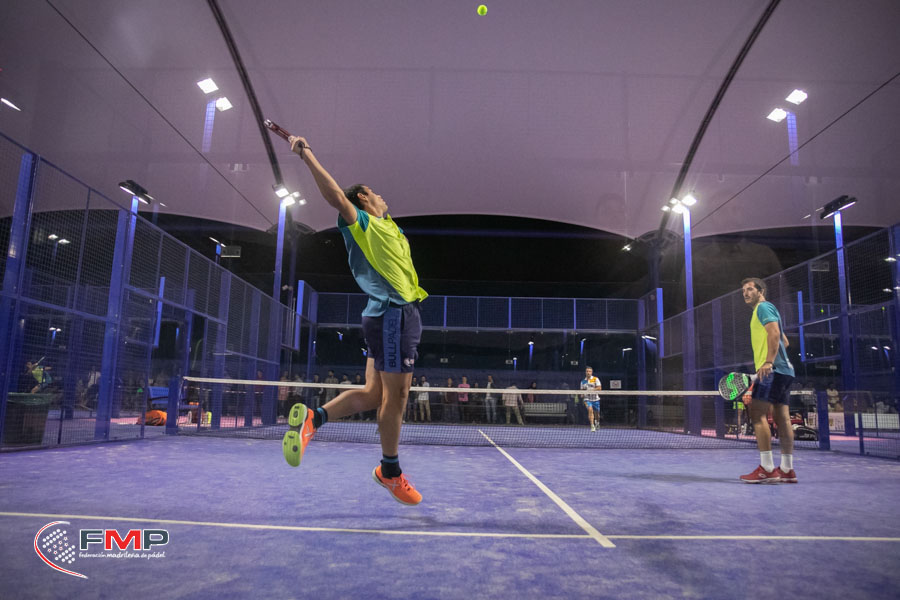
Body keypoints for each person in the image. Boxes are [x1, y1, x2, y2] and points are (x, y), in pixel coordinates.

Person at [282, 134, 428, 505]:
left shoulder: (390, 227)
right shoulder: (362, 223)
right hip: (392, 314)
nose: (382, 196)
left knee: (374, 394)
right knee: (397, 396)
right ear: (363, 197)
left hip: (398, 314)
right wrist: (306, 153)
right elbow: (336, 196)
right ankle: (389, 471)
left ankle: (314, 418)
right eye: (375, 193)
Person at [739, 278, 797, 484]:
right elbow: (784, 341)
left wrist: (768, 362)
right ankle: (787, 470)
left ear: (760, 291)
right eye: (743, 291)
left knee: (757, 414)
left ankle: (767, 469)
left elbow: (774, 333)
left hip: (771, 370)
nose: (746, 293)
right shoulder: (767, 310)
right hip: (785, 371)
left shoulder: (763, 308)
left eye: (750, 289)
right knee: (783, 418)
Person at [581, 366, 602, 432]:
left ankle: (597, 423)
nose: (588, 373)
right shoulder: (583, 381)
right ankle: (592, 426)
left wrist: (591, 390)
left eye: (589, 371)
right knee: (590, 410)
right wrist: (582, 394)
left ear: (592, 372)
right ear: (585, 372)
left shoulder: (595, 379)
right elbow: (581, 391)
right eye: (587, 371)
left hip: (595, 399)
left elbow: (599, 388)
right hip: (587, 399)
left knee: (597, 414)